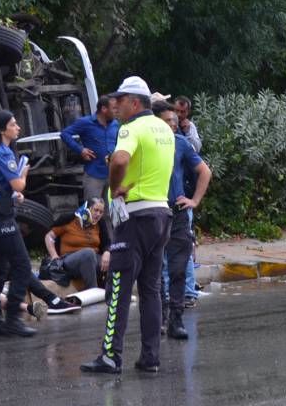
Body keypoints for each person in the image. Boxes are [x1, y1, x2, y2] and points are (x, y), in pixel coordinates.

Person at [81, 76, 175, 375]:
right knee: (150, 289)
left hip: (134, 216)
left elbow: (121, 160)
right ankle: (150, 358)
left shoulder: (130, 128)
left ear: (134, 102)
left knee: (118, 287)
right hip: (161, 213)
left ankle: (110, 356)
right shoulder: (164, 128)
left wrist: (114, 186)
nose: (115, 106)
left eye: (120, 101)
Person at [0, 109, 38, 337]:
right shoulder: (3, 153)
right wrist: (24, 174)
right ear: (3, 130)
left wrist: (14, 196)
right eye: (13, 124)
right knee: (22, 266)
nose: (18, 128)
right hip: (0, 218)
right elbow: (18, 185)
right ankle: (13, 318)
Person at [154, 100, 211, 340]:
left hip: (176, 214)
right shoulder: (145, 142)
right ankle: (160, 317)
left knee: (178, 269)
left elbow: (205, 171)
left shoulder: (181, 143)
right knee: (156, 270)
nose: (173, 125)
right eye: (168, 121)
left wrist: (194, 200)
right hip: (153, 213)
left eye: (175, 121)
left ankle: (176, 319)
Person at [59, 97, 119, 202]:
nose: (116, 111)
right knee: (92, 209)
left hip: (112, 175)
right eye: (114, 108)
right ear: (104, 109)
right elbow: (65, 134)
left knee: (113, 210)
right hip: (94, 175)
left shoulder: (115, 124)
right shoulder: (85, 122)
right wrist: (80, 150)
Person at [44, 198, 109, 290]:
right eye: (96, 210)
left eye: (101, 212)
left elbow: (106, 242)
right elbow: (49, 236)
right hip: (69, 259)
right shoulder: (69, 220)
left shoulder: (100, 224)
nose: (98, 214)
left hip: (93, 258)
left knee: (114, 258)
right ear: (87, 208)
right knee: (88, 253)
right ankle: (92, 290)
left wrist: (107, 252)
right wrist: (54, 255)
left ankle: (108, 291)